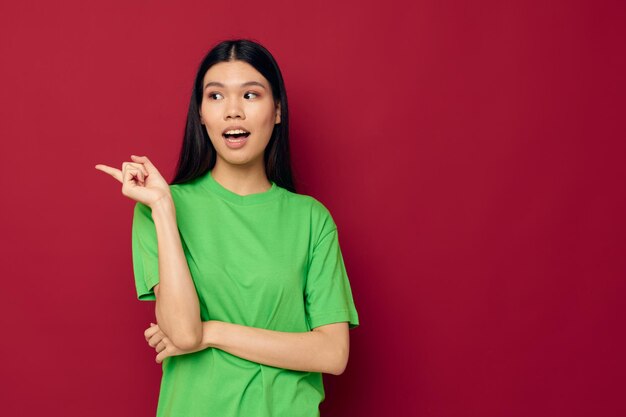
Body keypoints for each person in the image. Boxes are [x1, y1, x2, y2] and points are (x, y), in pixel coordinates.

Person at [95, 38, 359, 417]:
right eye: (216, 97)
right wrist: (164, 209)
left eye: (251, 95)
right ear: (201, 114)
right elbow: (184, 333)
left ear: (278, 110)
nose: (233, 111)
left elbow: (333, 354)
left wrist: (213, 332)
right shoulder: (160, 209)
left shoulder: (311, 219)